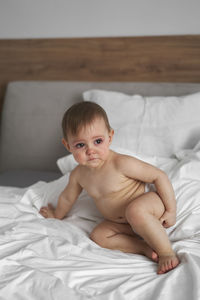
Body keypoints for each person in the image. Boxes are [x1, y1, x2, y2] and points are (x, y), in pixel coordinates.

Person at [40, 101, 180, 274]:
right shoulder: (78, 175)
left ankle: (166, 252)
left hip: (148, 206)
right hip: (123, 223)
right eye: (80, 145)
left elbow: (159, 176)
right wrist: (57, 215)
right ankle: (142, 247)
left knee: (135, 211)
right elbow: (68, 197)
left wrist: (171, 211)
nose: (90, 150)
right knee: (98, 236)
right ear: (68, 146)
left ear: (110, 137)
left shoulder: (121, 163)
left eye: (97, 141)